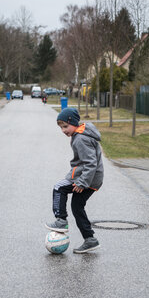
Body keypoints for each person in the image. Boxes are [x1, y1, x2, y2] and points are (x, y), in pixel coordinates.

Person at [45, 107, 103, 253]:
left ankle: (61, 221)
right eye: (61, 127)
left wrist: (82, 182)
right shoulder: (81, 134)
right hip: (92, 179)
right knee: (77, 207)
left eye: (65, 126)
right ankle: (90, 239)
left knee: (59, 187)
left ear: (74, 123)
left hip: (87, 179)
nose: (63, 130)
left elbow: (90, 163)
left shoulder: (81, 138)